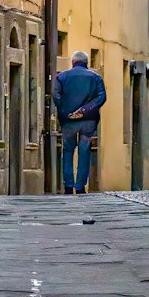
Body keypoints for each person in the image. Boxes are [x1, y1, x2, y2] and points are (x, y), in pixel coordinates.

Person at [53, 51, 106, 194]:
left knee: (68, 151)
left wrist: (66, 112)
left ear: (73, 62)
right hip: (88, 121)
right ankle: (80, 186)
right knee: (84, 151)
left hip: (68, 121)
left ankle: (68, 185)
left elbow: (56, 96)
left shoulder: (62, 77)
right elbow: (101, 97)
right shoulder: (95, 78)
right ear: (86, 62)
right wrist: (84, 110)